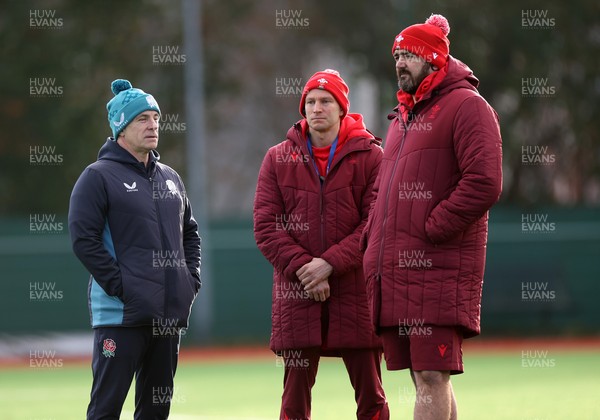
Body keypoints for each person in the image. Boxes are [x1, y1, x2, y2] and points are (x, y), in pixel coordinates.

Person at [361, 14, 503, 420]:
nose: (400, 63)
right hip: (396, 271)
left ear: (434, 59)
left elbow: (485, 181)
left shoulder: (468, 107)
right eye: (397, 56)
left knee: (431, 374)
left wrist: (434, 226)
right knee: (424, 377)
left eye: (409, 55)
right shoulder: (402, 118)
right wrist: (371, 238)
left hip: (436, 267)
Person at [254, 69, 389, 420]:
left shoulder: (372, 156)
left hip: (355, 291)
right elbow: (266, 227)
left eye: (326, 101)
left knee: (372, 397)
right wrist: (306, 269)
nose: (317, 108)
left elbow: (375, 223)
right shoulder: (276, 158)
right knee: (293, 400)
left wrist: (328, 264)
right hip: (297, 293)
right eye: (311, 101)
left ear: (342, 108)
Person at [68, 79, 201, 419]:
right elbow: (84, 240)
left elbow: (190, 233)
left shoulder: (171, 177)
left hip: (167, 318)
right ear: (120, 127)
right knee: (106, 409)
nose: (153, 125)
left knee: (156, 411)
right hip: (120, 317)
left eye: (155, 118)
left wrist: (190, 280)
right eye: (142, 119)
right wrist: (122, 287)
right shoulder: (96, 177)